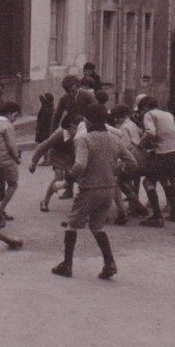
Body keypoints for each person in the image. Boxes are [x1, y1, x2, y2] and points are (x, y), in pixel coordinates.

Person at [52, 104, 128, 280]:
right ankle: (110, 263)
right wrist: (115, 171)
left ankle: (67, 264)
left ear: (88, 121)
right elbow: (130, 161)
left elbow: (80, 164)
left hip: (89, 189)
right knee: (97, 227)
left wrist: (67, 181)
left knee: (72, 224)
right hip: (109, 189)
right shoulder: (114, 139)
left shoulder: (84, 139)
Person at [139, 96, 175, 226]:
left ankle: (156, 216)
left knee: (148, 181)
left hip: (164, 151)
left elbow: (150, 132)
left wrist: (140, 144)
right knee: (168, 180)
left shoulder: (149, 114)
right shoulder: (168, 114)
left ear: (144, 108)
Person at [29, 116, 77, 213]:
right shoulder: (59, 134)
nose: (78, 130)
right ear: (70, 127)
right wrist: (34, 162)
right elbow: (43, 146)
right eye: (76, 128)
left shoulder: (80, 133)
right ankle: (45, 201)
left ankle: (79, 204)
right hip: (57, 156)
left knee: (74, 176)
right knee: (58, 177)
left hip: (71, 157)